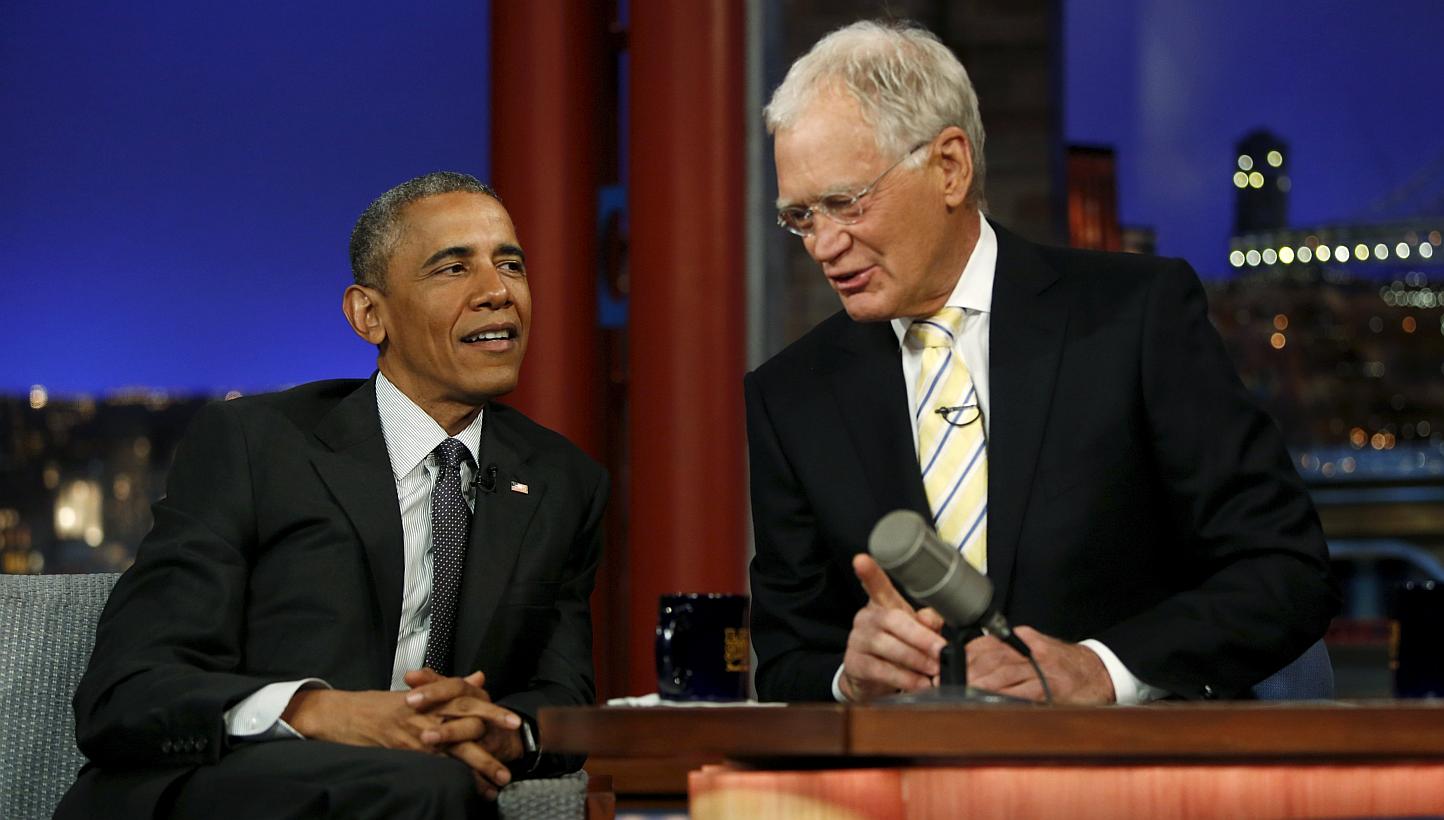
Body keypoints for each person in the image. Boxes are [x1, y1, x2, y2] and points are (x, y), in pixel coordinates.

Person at [745, 21, 1338, 706]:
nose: (823, 244)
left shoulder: (1133, 318)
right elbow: (788, 660)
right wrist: (849, 677)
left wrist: (1103, 670)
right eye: (801, 217)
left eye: (845, 203)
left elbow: (1285, 572)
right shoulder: (791, 398)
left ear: (949, 167)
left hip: (1127, 785)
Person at [57, 172, 608, 819]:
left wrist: (501, 729)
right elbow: (125, 691)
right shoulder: (256, 444)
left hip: (425, 788)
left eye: (509, 264)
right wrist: (322, 711)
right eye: (453, 268)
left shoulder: (560, 480)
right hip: (230, 788)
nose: (497, 292)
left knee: (431, 786)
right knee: (427, 787)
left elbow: (560, 693)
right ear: (368, 314)